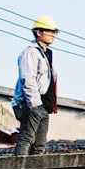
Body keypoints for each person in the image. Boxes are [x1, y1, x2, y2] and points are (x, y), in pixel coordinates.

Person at [12, 15, 59, 156]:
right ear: (39, 32)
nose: (53, 35)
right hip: (31, 103)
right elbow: (27, 79)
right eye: (50, 31)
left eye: (54, 32)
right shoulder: (30, 52)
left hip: (44, 104)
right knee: (27, 137)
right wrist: (34, 103)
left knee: (39, 144)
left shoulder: (46, 54)